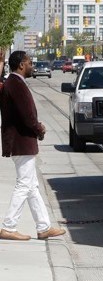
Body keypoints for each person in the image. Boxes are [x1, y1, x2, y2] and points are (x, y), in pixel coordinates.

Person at [0, 51, 66, 241]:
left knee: (32, 185)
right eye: (29, 63)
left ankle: (43, 227)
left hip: (20, 142)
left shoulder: (12, 83)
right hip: (21, 142)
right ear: (21, 65)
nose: (32, 66)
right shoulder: (16, 84)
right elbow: (27, 115)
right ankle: (8, 226)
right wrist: (39, 128)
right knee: (24, 184)